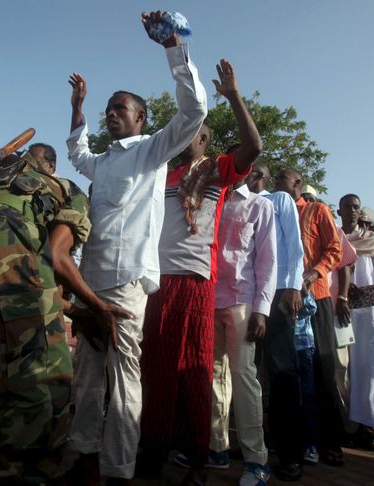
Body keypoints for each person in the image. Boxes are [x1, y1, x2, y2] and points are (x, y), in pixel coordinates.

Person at [0, 149, 131, 485]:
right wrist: (95, 305)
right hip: (4, 249)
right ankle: (14, 473)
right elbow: (55, 255)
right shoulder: (65, 188)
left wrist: (70, 310)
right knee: (41, 381)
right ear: (49, 167)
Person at [64, 11, 208, 484]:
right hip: (90, 281)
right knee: (86, 378)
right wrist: (79, 108)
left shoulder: (151, 150)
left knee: (124, 380)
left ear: (141, 119)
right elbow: (77, 154)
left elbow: (194, 114)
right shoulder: (103, 162)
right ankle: (84, 461)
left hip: (127, 284)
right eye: (109, 109)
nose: (111, 114)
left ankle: (119, 471)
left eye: (119, 108)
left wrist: (173, 48)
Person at [138, 58, 262, 485]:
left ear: (206, 140)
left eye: (193, 132)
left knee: (194, 370)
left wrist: (233, 96)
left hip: (194, 280)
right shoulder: (160, 175)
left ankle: (195, 460)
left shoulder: (218, 170)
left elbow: (255, 147)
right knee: (154, 367)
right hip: (156, 281)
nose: (184, 136)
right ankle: (152, 451)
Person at [208, 172, 276, 485]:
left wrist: (261, 310)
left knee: (244, 377)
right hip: (209, 298)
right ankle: (217, 447)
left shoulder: (259, 205)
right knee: (213, 376)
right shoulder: (211, 198)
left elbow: (268, 261)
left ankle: (255, 460)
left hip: (241, 301)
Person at [274, 169, 344, 467]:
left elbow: (335, 249)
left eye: (282, 180)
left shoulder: (317, 210)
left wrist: (313, 273)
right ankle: (289, 444)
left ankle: (330, 442)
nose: (277, 184)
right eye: (275, 180)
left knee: (322, 369)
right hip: (281, 300)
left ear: (298, 184)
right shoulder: (272, 209)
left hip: (316, 297)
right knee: (285, 373)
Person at [248, 167, 306, 480]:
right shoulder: (239, 200)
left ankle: (290, 453)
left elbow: (294, 247)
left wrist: (293, 285)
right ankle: (253, 443)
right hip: (247, 294)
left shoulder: (278, 199)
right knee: (249, 374)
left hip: (278, 293)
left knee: (284, 371)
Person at [338, 194, 374, 451]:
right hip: (340, 310)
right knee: (346, 371)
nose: (352, 211)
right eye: (348, 207)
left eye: (356, 207)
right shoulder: (334, 237)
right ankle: (352, 425)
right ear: (339, 211)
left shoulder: (372, 240)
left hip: (371, 314)